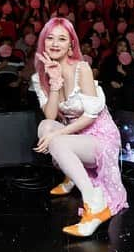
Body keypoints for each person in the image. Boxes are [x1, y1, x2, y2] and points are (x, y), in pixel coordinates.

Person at [32, 17, 128, 237]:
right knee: (44, 127)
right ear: (43, 42)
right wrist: (54, 83)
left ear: (71, 45)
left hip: (99, 137)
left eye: (62, 39)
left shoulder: (82, 68)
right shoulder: (40, 76)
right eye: (50, 38)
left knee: (54, 137)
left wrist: (59, 133)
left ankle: (94, 204)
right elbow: (50, 115)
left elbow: (91, 116)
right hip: (73, 135)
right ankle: (72, 175)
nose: (55, 44)